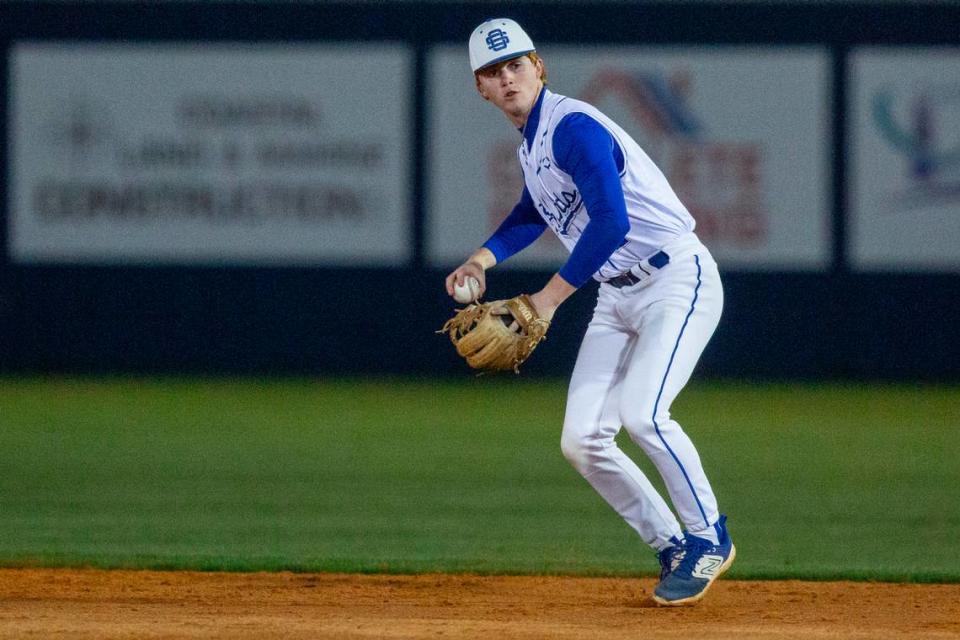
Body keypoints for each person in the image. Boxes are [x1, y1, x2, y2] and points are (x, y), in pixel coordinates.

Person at [444, 18, 735, 606]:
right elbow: (534, 211)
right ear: (480, 88)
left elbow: (612, 223)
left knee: (644, 414)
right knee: (582, 439)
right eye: (493, 73)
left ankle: (710, 536)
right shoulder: (532, 142)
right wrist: (482, 257)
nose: (507, 79)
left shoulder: (571, 126)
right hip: (616, 294)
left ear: (539, 66)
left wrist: (545, 302)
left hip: (675, 278)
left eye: (516, 65)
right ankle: (673, 545)